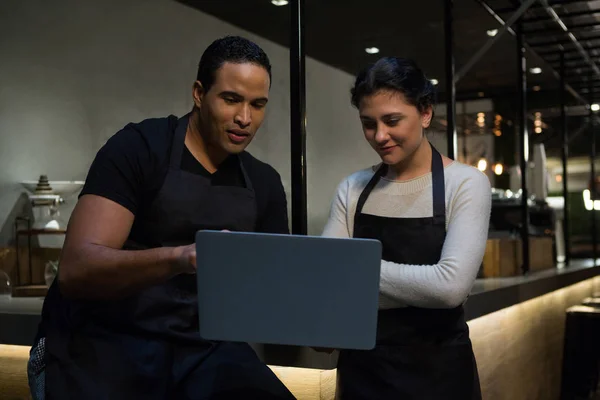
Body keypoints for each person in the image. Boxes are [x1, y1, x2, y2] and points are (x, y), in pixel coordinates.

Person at [27, 35, 295, 400]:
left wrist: (313, 320)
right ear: (199, 93)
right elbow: (77, 269)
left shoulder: (263, 183)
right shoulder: (138, 148)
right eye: (231, 99)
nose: (245, 118)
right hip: (102, 342)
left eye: (258, 104)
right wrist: (181, 258)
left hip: (202, 349)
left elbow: (271, 288)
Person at [322, 57, 491, 399]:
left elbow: (449, 288)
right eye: (368, 123)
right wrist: (415, 287)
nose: (379, 136)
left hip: (440, 374)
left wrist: (355, 272)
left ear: (425, 112)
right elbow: (327, 279)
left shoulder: (466, 184)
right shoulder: (353, 188)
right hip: (364, 374)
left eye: (392, 120)